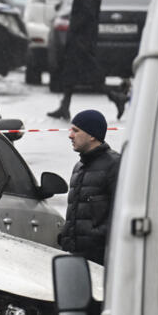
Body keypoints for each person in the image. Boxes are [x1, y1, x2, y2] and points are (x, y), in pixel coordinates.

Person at [47, 0, 127, 120]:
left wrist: (75, 28)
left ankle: (116, 97)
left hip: (81, 40)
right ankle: (64, 106)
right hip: (81, 38)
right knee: (70, 73)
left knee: (91, 75)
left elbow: (86, 14)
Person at [58, 109, 121, 265]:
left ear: (92, 135)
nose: (70, 135)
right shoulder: (78, 167)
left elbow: (121, 214)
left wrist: (97, 237)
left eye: (76, 131)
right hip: (75, 258)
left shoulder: (115, 165)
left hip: (101, 261)